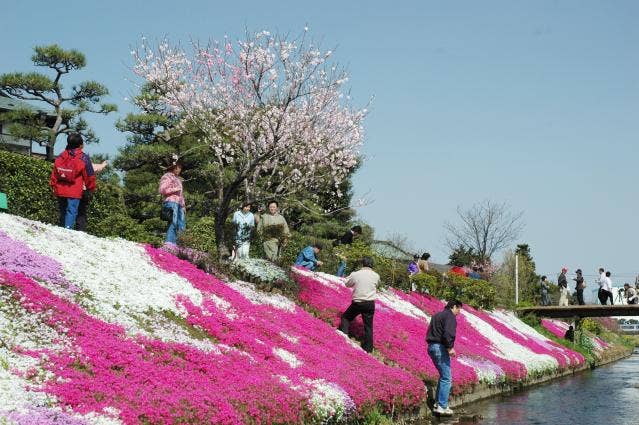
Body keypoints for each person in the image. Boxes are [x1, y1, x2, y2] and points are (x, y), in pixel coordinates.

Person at [50, 133, 96, 229]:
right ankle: (67, 229)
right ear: (80, 145)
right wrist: (90, 188)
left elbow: (55, 172)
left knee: (62, 211)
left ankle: (62, 228)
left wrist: (53, 185)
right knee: (71, 211)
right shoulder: (84, 158)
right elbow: (90, 176)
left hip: (60, 188)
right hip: (74, 190)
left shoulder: (61, 156)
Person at [426, 299, 463, 416]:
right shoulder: (450, 316)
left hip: (431, 347)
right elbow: (448, 333)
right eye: (459, 309)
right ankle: (442, 406)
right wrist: (449, 348)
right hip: (440, 348)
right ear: (454, 307)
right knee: (447, 378)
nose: (459, 312)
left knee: (443, 376)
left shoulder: (437, 315)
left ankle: (437, 404)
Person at [338, 256, 379, 353]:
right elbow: (377, 284)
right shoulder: (376, 275)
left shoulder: (356, 274)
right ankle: (368, 349)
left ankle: (344, 338)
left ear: (362, 264)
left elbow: (347, 284)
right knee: (368, 326)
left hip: (358, 302)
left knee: (346, 318)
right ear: (372, 265)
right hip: (370, 303)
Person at [75, 159, 108, 232]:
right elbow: (97, 167)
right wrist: (103, 164)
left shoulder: (75, 164)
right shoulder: (89, 166)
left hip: (74, 190)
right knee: (82, 211)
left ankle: (68, 226)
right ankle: (80, 229)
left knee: (72, 209)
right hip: (84, 191)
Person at [159, 155, 185, 244]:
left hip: (179, 204)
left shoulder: (178, 179)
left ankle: (180, 245)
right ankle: (169, 244)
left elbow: (181, 194)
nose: (179, 169)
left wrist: (183, 205)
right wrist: (175, 189)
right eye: (178, 167)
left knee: (181, 225)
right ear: (173, 167)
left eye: (180, 168)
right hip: (171, 202)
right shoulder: (167, 176)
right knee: (173, 223)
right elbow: (162, 190)